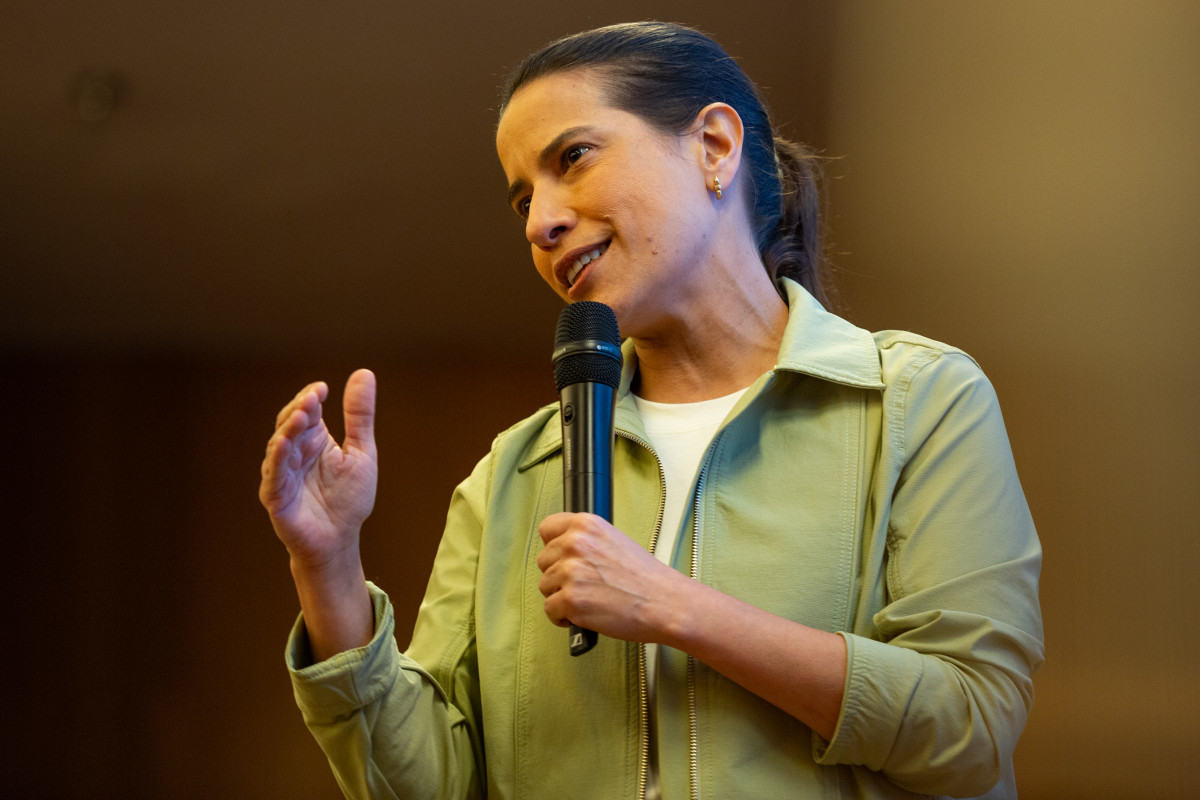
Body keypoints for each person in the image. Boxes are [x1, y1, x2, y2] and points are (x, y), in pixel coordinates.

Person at [259, 21, 1044, 800]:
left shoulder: (915, 401)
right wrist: (328, 569)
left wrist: (670, 606)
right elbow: (433, 785)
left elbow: (969, 728)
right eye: (523, 198)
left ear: (713, 147)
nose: (540, 223)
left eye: (573, 158)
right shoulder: (513, 473)